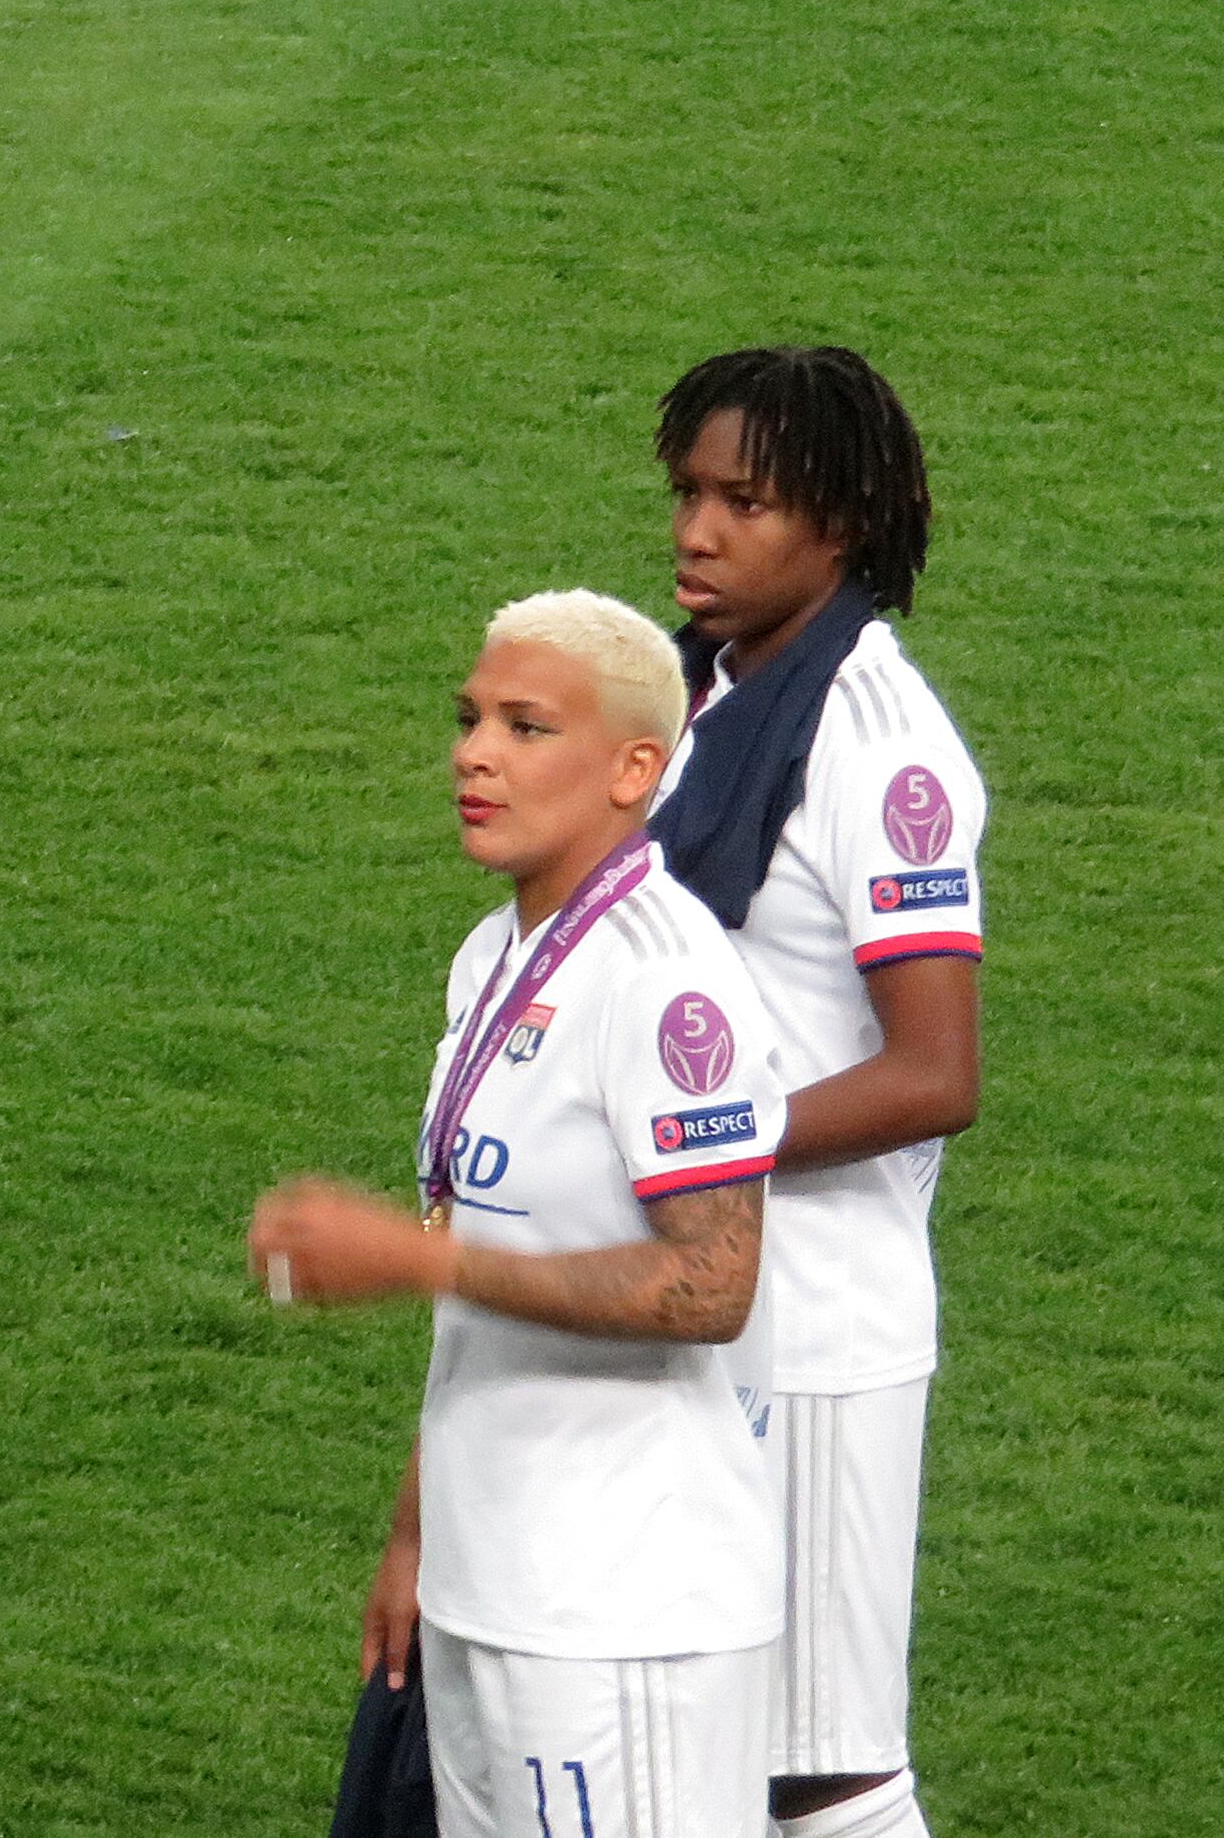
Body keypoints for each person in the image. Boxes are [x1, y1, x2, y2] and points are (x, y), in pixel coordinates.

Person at [254, 590, 801, 1838]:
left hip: (626, 1616)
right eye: (470, 717)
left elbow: (714, 1283)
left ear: (634, 769)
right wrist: (417, 1531)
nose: (474, 752)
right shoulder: (492, 957)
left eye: (525, 725)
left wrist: (408, 1255)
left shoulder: (666, 986)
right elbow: (485, 1267)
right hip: (491, 1584)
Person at [647, 347, 985, 1838]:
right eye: (687, 494)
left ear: (840, 523)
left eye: (745, 502)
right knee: (701, 1743)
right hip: (701, 1297)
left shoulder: (877, 739)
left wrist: (692, 1142)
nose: (697, 534)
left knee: (824, 1773)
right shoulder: (689, 696)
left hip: (823, 1334)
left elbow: (935, 1071)